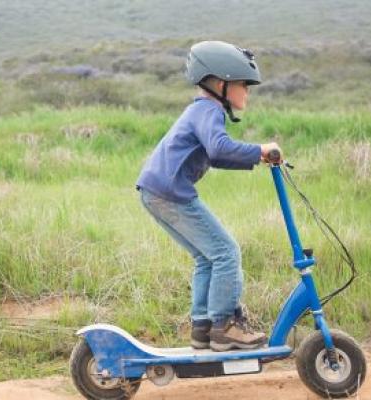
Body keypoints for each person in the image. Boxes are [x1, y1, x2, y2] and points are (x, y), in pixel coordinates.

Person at [136, 40, 282, 352]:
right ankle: (224, 327)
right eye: (243, 84)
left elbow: (215, 156)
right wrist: (260, 149)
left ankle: (203, 328)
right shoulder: (208, 110)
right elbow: (218, 147)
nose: (247, 92)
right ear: (220, 84)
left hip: (157, 191)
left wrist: (257, 158)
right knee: (227, 252)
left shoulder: (201, 110)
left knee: (207, 257)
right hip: (170, 193)